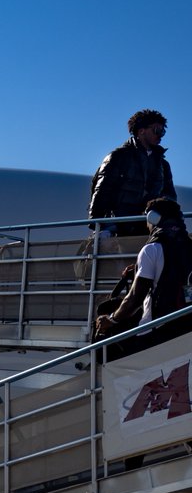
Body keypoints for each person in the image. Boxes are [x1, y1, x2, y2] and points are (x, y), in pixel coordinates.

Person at [94, 198, 192, 344]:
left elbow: (135, 297)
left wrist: (112, 319)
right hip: (186, 325)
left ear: (153, 218)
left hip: (158, 327)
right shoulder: (188, 245)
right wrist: (138, 269)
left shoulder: (151, 249)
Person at [89, 110, 176, 238]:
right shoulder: (118, 157)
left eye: (163, 131)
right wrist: (99, 226)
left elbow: (170, 197)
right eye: (157, 130)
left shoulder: (163, 165)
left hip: (149, 227)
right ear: (141, 131)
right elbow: (101, 191)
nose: (160, 135)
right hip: (118, 226)